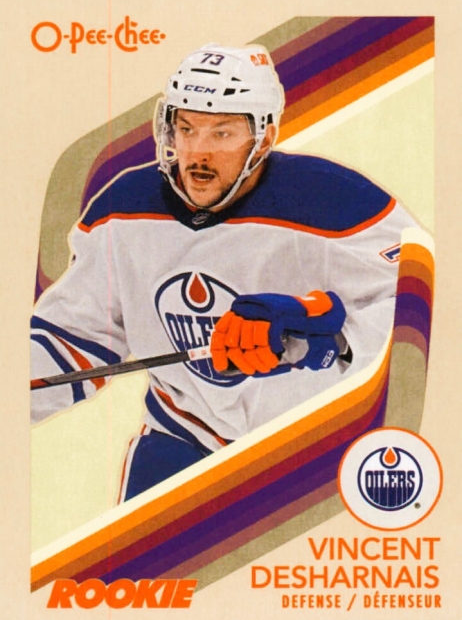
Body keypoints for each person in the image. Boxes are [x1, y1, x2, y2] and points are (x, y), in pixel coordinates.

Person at [31, 43, 418, 501]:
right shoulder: (125, 208)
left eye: (222, 133)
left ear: (263, 138)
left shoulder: (335, 201)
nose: (198, 153)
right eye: (187, 129)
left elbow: (424, 309)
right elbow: (71, 338)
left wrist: (326, 335)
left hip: (308, 445)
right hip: (183, 437)